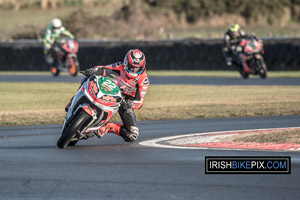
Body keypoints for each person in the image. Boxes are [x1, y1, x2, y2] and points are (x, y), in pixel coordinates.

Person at [66, 49, 149, 142]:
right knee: (88, 77)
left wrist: (131, 104)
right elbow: (102, 68)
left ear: (142, 66)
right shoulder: (119, 66)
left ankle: (107, 127)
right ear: (126, 63)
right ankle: (73, 102)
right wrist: (93, 70)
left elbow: (140, 101)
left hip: (125, 102)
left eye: (137, 68)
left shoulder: (143, 80)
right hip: (111, 90)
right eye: (131, 66)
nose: (133, 70)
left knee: (132, 135)